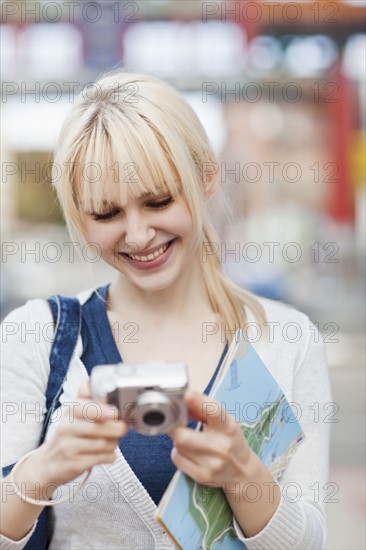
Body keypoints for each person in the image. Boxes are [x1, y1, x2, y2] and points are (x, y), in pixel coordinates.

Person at [1, 71, 331, 549]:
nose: (137, 236)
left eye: (157, 201)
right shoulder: (37, 336)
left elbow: (309, 541)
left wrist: (245, 481)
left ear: (206, 175)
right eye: (106, 214)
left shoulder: (287, 340)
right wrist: (37, 475)